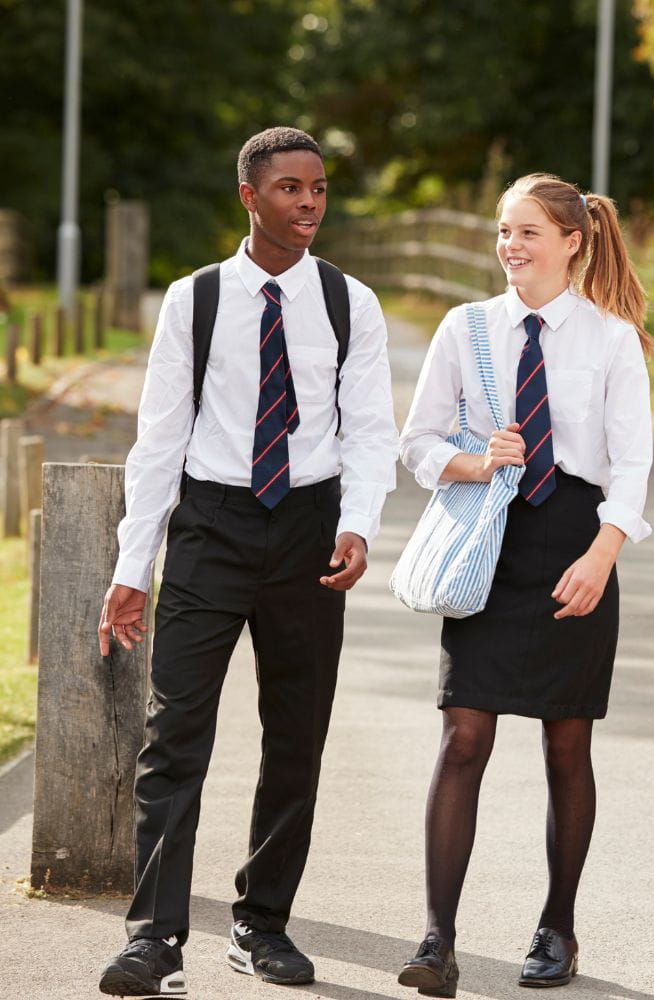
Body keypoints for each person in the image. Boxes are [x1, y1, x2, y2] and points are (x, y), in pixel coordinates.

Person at [96, 126, 398, 997]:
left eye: (320, 189)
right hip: (212, 525)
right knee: (175, 736)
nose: (309, 203)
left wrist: (358, 524)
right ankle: (154, 939)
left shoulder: (351, 304)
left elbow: (369, 430)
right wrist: (133, 565)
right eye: (291, 189)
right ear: (250, 197)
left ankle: (263, 923)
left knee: (295, 738)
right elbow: (159, 440)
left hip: (308, 532)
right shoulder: (194, 301)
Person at [396, 173, 654, 995]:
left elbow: (633, 462)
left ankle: (558, 929)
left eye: (528, 233)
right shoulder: (465, 327)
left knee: (566, 743)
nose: (510, 247)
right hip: (490, 543)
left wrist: (604, 553)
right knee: (463, 734)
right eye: (503, 232)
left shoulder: (612, 338)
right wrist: (477, 461)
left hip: (576, 546)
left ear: (574, 241)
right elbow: (419, 443)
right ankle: (437, 939)